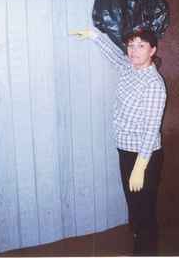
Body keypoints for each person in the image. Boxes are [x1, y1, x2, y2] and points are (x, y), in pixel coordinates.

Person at [70, 28, 167, 256]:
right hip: (125, 151)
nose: (133, 51)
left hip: (144, 156)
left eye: (141, 46)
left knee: (144, 212)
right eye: (131, 45)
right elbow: (114, 56)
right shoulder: (129, 67)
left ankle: (146, 252)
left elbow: (151, 130)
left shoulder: (154, 84)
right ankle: (139, 248)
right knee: (135, 209)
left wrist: (140, 167)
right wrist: (94, 36)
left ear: (152, 50)